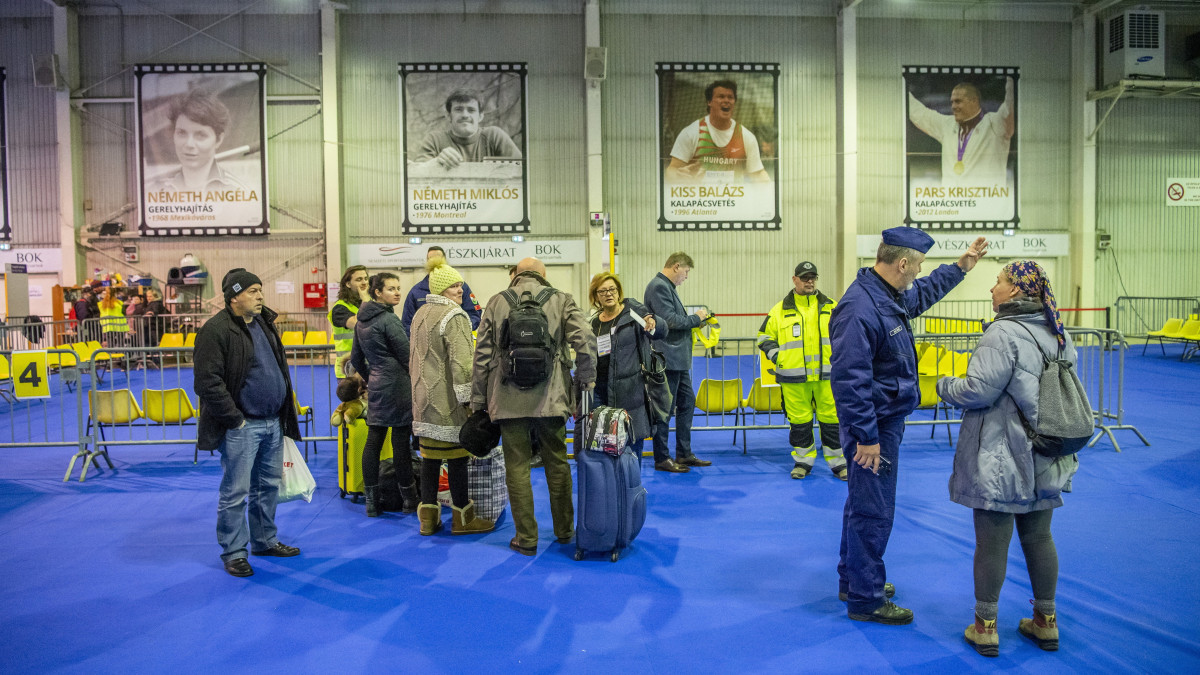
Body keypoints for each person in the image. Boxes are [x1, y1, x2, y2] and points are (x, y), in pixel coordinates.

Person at [830, 227, 988, 625]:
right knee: (874, 509)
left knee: (863, 504)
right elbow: (850, 381)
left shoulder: (885, 296)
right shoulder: (860, 308)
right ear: (902, 263)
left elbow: (925, 292)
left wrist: (962, 267)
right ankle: (866, 598)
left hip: (883, 422)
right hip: (874, 427)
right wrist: (866, 437)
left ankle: (854, 579)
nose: (919, 273)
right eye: (917, 266)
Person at [936, 260, 1078, 656]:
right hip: (1046, 452)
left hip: (1002, 455)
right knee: (1040, 536)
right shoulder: (1056, 331)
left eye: (997, 281)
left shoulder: (1002, 332)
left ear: (1015, 290)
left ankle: (985, 627)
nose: (992, 288)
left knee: (992, 543)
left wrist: (943, 385)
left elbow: (978, 390)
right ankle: (1046, 622)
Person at [471, 257, 596, 556]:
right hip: (551, 398)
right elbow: (586, 341)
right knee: (557, 462)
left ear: (516, 275)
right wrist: (585, 383)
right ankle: (565, 530)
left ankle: (526, 538)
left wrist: (478, 400)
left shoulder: (497, 301)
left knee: (516, 466)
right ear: (543, 275)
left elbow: (482, 355)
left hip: (507, 398)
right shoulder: (561, 299)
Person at [194, 268, 302, 578]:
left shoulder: (265, 323)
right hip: (243, 426)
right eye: (252, 291)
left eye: (260, 289)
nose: (260, 295)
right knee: (235, 492)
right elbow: (207, 381)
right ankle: (234, 552)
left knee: (267, 487)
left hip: (271, 422)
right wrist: (235, 420)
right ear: (234, 297)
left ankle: (265, 540)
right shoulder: (216, 330)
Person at [410, 259, 494, 536]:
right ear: (442, 290)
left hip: (422, 402)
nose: (460, 290)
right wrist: (471, 402)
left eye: (460, 284)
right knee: (458, 458)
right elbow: (462, 366)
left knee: (430, 460)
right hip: (448, 403)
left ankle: (428, 519)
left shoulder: (420, 313)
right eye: (454, 286)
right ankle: (463, 519)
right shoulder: (454, 316)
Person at [757, 261, 847, 481]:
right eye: (805, 277)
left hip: (828, 376)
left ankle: (838, 463)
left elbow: (847, 334)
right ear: (794, 279)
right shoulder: (779, 310)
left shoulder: (832, 307)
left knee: (832, 421)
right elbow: (764, 337)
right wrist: (779, 357)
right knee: (799, 423)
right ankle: (803, 462)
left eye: (813, 277)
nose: (810, 281)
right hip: (793, 378)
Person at [350, 272, 419, 518]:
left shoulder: (361, 321)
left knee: (373, 441)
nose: (397, 292)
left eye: (398, 288)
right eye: (391, 288)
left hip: (378, 385)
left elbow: (356, 358)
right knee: (400, 445)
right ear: (377, 292)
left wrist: (372, 378)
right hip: (399, 385)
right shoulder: (389, 320)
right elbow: (407, 355)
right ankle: (409, 501)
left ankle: (372, 503)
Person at [588, 272, 666, 463]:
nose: (608, 294)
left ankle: (631, 490)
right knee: (604, 448)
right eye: (603, 291)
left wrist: (653, 321)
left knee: (631, 449)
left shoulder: (633, 315)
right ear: (596, 296)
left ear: (618, 291)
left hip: (631, 391)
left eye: (612, 289)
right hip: (601, 391)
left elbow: (659, 332)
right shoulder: (594, 323)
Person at [643, 252, 711, 473]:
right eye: (686, 271)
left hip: (677, 361)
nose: (686, 276)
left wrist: (693, 322)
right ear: (676, 266)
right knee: (665, 410)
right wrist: (697, 318)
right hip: (668, 360)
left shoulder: (665, 287)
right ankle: (662, 457)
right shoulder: (659, 286)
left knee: (686, 404)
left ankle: (683, 453)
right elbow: (670, 321)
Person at [908, 77, 1015, 186]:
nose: (953, 106)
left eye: (958, 102)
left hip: (986, 201)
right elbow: (918, 113)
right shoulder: (947, 125)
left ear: (974, 101)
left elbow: (1011, 103)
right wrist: (898, 81)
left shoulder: (996, 124)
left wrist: (1012, 77)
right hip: (953, 202)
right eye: (952, 102)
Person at [666, 79, 770, 184]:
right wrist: (679, 177)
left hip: (735, 199)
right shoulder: (691, 133)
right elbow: (672, 170)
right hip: (701, 199)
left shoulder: (746, 136)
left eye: (730, 97)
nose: (726, 100)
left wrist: (771, 190)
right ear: (709, 102)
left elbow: (757, 174)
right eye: (721, 97)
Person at [146, 88, 247, 193]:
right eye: (182, 133)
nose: (189, 144)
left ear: (218, 140)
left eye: (200, 135)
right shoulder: (156, 191)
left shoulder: (237, 191)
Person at [410, 89, 522, 172]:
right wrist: (436, 162)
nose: (465, 115)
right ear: (448, 116)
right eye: (458, 109)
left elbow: (521, 170)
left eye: (471, 110)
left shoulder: (494, 136)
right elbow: (416, 174)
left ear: (480, 116)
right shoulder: (434, 139)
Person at [401, 246, 482, 335]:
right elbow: (407, 324)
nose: (459, 290)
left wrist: (461, 330)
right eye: (431, 259)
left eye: (438, 258)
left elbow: (474, 313)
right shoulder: (416, 291)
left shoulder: (463, 287)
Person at [328, 265, 370, 378]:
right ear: (348, 284)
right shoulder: (339, 308)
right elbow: (358, 323)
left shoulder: (368, 304)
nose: (364, 282)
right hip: (348, 370)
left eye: (366, 278)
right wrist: (366, 299)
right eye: (359, 279)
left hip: (369, 367)